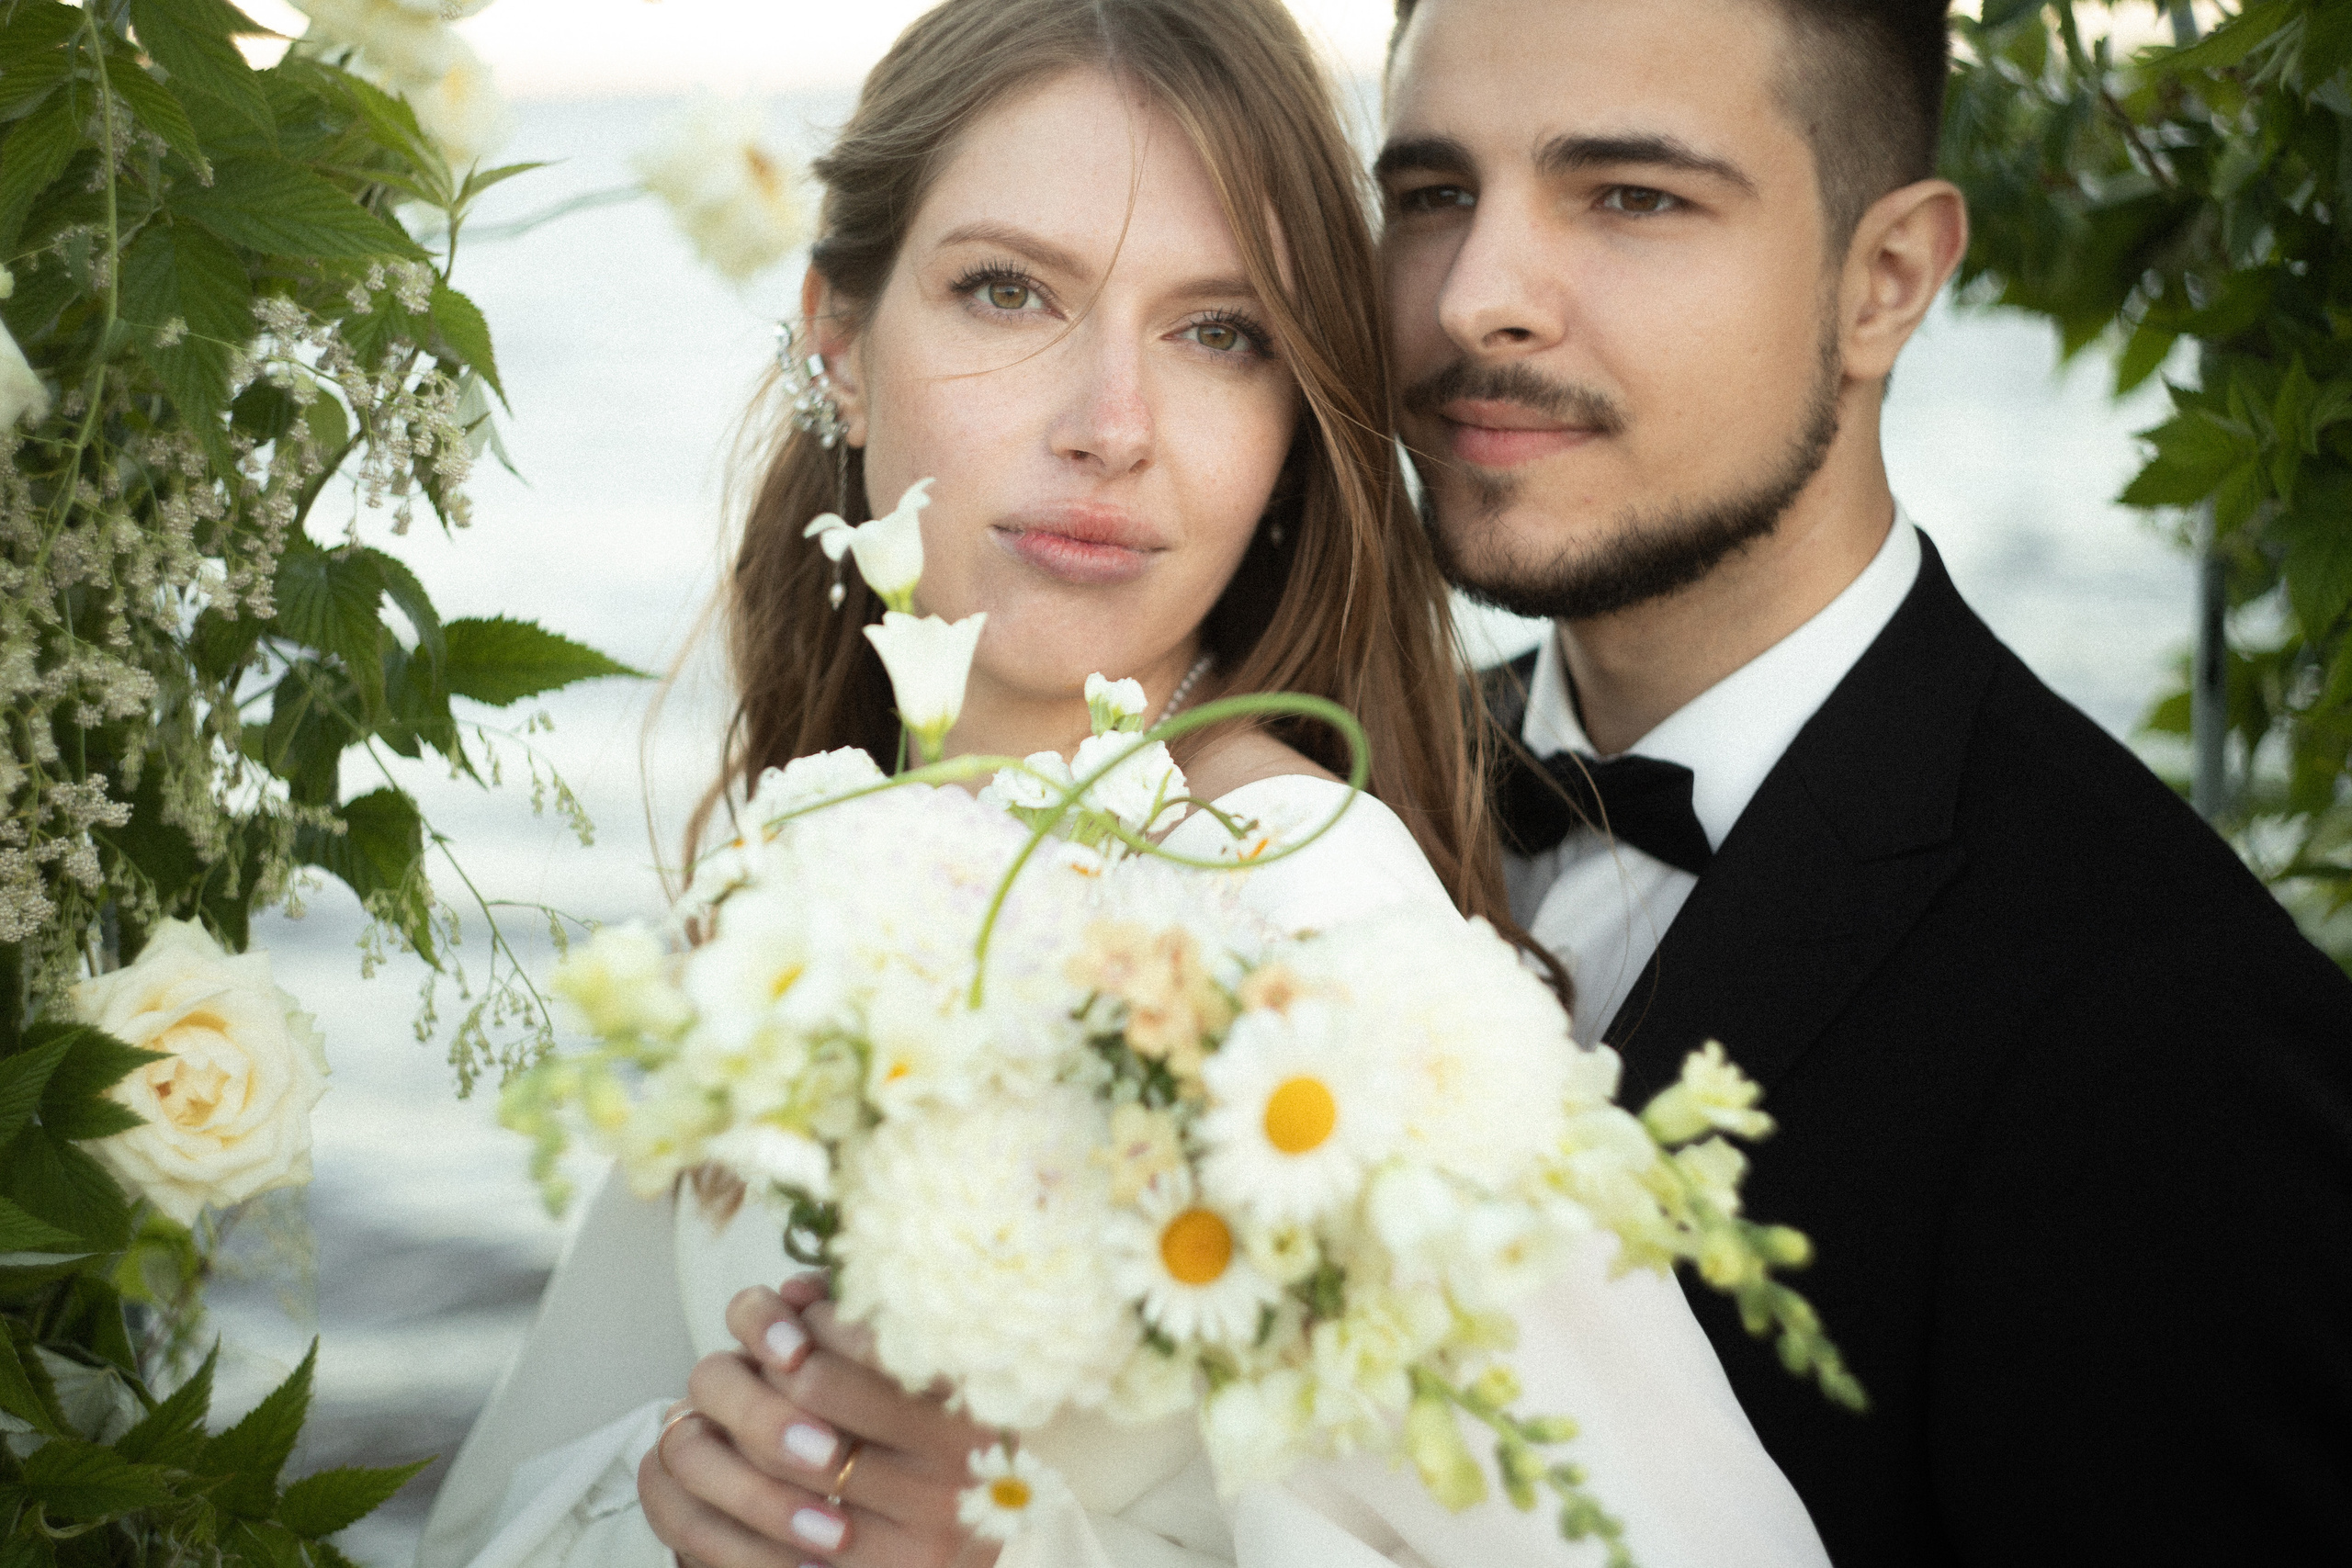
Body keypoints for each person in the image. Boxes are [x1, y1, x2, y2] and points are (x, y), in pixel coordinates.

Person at [415, 3, 1833, 1567]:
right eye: (1007, 291)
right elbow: (514, 1497)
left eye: (1221, 332)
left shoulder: (1307, 918)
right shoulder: (814, 855)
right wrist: (684, 1482)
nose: (1111, 425)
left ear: (1296, 424)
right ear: (842, 343)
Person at [1379, 0, 2352, 1562]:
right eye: (1431, 195)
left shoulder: (2170, 1028)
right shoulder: (1315, 812)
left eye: (1632, 196)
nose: (1478, 297)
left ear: (1884, 280)